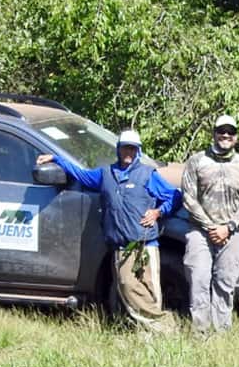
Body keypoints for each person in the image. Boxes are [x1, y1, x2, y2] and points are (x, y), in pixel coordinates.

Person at [37, 129, 181, 330]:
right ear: (118, 149)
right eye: (125, 148)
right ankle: (156, 329)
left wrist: (158, 212)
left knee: (147, 289)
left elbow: (174, 196)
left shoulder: (148, 175)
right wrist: (57, 158)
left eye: (132, 148)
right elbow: (82, 175)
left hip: (144, 244)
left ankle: (163, 328)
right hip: (120, 246)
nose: (128, 152)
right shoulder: (106, 174)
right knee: (126, 286)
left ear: (138, 151)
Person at [181, 114, 239, 334]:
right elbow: (188, 197)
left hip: (232, 233)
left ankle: (221, 331)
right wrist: (210, 226)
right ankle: (200, 332)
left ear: (236, 137)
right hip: (200, 232)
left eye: (230, 132)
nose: (225, 135)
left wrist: (228, 227)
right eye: (221, 131)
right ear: (213, 133)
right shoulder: (196, 161)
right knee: (199, 279)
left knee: (226, 282)